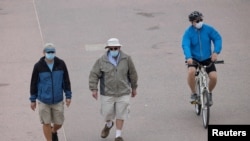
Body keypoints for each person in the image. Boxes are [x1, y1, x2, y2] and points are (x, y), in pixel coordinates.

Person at [89, 38, 138, 141]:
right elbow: (94, 74)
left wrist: (134, 87)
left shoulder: (127, 59)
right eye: (111, 48)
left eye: (115, 48)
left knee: (121, 113)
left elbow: (132, 73)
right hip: (107, 93)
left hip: (123, 92)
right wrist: (94, 89)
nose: (114, 50)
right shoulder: (101, 60)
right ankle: (109, 124)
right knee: (107, 113)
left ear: (119, 48)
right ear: (108, 49)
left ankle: (118, 135)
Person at [29, 43, 72, 141]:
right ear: (44, 53)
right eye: (48, 52)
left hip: (58, 100)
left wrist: (68, 96)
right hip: (44, 100)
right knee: (46, 123)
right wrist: (33, 100)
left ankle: (53, 131)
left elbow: (66, 80)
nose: (50, 54)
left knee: (59, 123)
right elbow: (33, 83)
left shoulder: (61, 64)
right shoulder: (38, 66)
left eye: (52, 52)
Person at [181, 11, 222, 106]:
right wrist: (188, 57)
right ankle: (194, 93)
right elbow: (185, 45)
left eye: (201, 20)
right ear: (192, 22)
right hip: (194, 58)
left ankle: (209, 93)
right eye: (197, 20)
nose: (200, 22)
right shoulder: (188, 33)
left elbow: (217, 38)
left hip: (208, 58)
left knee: (213, 77)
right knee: (191, 72)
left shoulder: (209, 29)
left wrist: (216, 52)